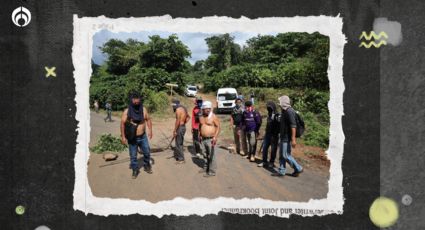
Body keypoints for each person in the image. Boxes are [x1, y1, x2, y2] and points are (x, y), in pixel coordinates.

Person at [120, 92, 153, 179]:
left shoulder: (143, 110)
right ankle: (135, 169)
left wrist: (150, 130)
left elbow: (148, 120)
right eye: (135, 102)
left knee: (147, 152)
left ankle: (146, 165)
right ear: (131, 100)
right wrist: (123, 136)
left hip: (143, 136)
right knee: (133, 155)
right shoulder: (127, 111)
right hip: (132, 138)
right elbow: (122, 124)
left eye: (138, 102)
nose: (136, 103)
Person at [272, 95, 303, 177]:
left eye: (280, 101)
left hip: (286, 137)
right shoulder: (284, 111)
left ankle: (298, 168)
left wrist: (293, 139)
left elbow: (293, 126)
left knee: (285, 155)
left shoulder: (290, 111)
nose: (279, 103)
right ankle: (281, 171)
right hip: (283, 136)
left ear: (284, 102)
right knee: (282, 154)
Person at [199, 101, 220, 177]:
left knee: (211, 155)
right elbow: (200, 126)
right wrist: (200, 134)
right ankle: (206, 167)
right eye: (205, 109)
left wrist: (215, 137)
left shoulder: (213, 116)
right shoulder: (201, 116)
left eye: (208, 109)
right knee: (204, 154)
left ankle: (212, 171)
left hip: (211, 139)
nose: (207, 110)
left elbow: (218, 127)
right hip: (203, 138)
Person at [258, 101, 280, 168]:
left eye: (270, 107)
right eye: (268, 107)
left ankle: (271, 162)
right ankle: (264, 161)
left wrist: (277, 133)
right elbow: (268, 125)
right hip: (267, 134)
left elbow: (279, 126)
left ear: (273, 107)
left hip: (274, 135)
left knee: (273, 150)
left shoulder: (277, 115)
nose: (269, 109)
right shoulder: (269, 114)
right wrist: (265, 133)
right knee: (264, 148)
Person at [172, 99, 190, 164]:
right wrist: (184, 123)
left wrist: (175, 130)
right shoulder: (183, 109)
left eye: (173, 105)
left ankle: (181, 159)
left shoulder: (178, 110)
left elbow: (177, 121)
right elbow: (188, 117)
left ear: (175, 104)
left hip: (180, 128)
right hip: (183, 127)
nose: (172, 106)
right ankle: (179, 156)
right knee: (180, 143)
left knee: (178, 143)